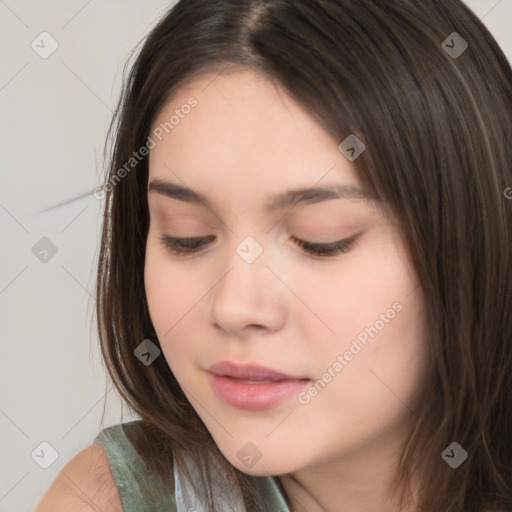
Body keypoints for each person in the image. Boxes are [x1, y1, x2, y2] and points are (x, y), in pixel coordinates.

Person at [34, 0, 512, 511]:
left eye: (320, 240)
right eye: (186, 236)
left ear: (474, 240)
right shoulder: (112, 498)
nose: (234, 307)